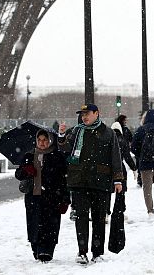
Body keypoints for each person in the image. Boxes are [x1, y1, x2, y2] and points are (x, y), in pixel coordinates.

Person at [58, 104, 124, 265]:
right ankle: (82, 252)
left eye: (87, 114)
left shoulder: (108, 133)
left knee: (99, 218)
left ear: (96, 113)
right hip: (79, 181)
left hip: (101, 182)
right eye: (82, 114)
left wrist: (118, 179)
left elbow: (115, 156)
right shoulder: (76, 131)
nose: (84, 117)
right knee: (81, 217)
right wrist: (61, 135)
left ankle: (97, 252)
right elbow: (65, 148)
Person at [16, 130, 69, 263]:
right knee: (34, 224)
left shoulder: (57, 156)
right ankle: (36, 248)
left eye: (45, 140)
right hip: (33, 197)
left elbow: (64, 179)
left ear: (50, 141)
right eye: (39, 140)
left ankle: (47, 250)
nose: (42, 143)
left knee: (50, 225)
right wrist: (26, 170)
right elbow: (18, 174)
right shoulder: (29, 155)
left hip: (52, 198)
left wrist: (65, 199)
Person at [110, 121, 136, 222]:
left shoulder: (108, 139)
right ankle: (120, 211)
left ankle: (106, 212)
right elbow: (127, 157)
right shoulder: (123, 140)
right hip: (120, 169)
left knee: (107, 193)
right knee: (121, 192)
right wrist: (134, 168)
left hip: (108, 170)